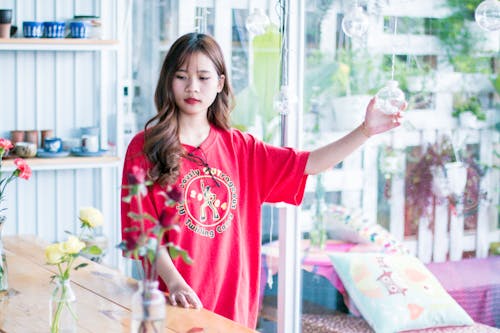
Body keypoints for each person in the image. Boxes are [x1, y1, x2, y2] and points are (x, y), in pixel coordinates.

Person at [121, 32, 404, 329]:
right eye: (181, 76)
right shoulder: (145, 149)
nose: (192, 87)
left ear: (219, 84)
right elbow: (142, 233)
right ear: (169, 81)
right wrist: (176, 284)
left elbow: (309, 164)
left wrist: (364, 131)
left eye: (203, 77)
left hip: (233, 303)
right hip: (174, 302)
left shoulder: (241, 149)